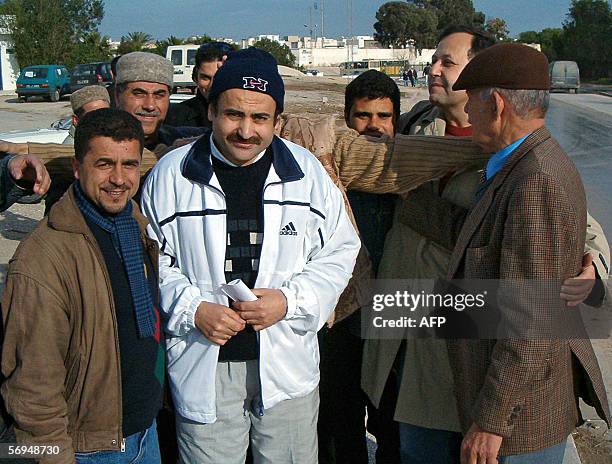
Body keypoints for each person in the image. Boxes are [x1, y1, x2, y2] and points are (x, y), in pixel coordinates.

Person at [345, 26, 608, 464]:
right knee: (406, 442)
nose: (434, 70)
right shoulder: (412, 129)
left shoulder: (520, 157)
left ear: (486, 83)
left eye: (449, 63)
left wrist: (590, 266)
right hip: (405, 325)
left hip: (469, 331)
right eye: (433, 60)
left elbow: (575, 234)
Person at [140, 48, 360, 464]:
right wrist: (193, 308)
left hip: (286, 366)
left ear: (278, 121)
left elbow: (341, 249)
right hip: (205, 359)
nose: (246, 130)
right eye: (233, 115)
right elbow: (153, 260)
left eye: (260, 119)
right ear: (211, 112)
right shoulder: (172, 175)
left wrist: (289, 301)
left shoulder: (306, 173)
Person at [1, 108, 164, 464]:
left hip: (143, 434)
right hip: (87, 448)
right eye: (104, 164)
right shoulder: (43, 259)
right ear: (77, 168)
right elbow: (32, 384)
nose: (118, 179)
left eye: (129, 165)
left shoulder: (133, 224)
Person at [318, 69, 401, 464]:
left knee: (393, 422)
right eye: (363, 116)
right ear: (347, 119)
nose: (374, 126)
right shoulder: (330, 176)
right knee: (339, 418)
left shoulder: (408, 174)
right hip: (342, 316)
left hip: (397, 312)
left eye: (384, 116)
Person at [165, 42, 233, 128]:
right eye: (205, 78)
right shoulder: (174, 117)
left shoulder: (249, 115)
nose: (212, 85)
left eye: (220, 77)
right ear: (195, 77)